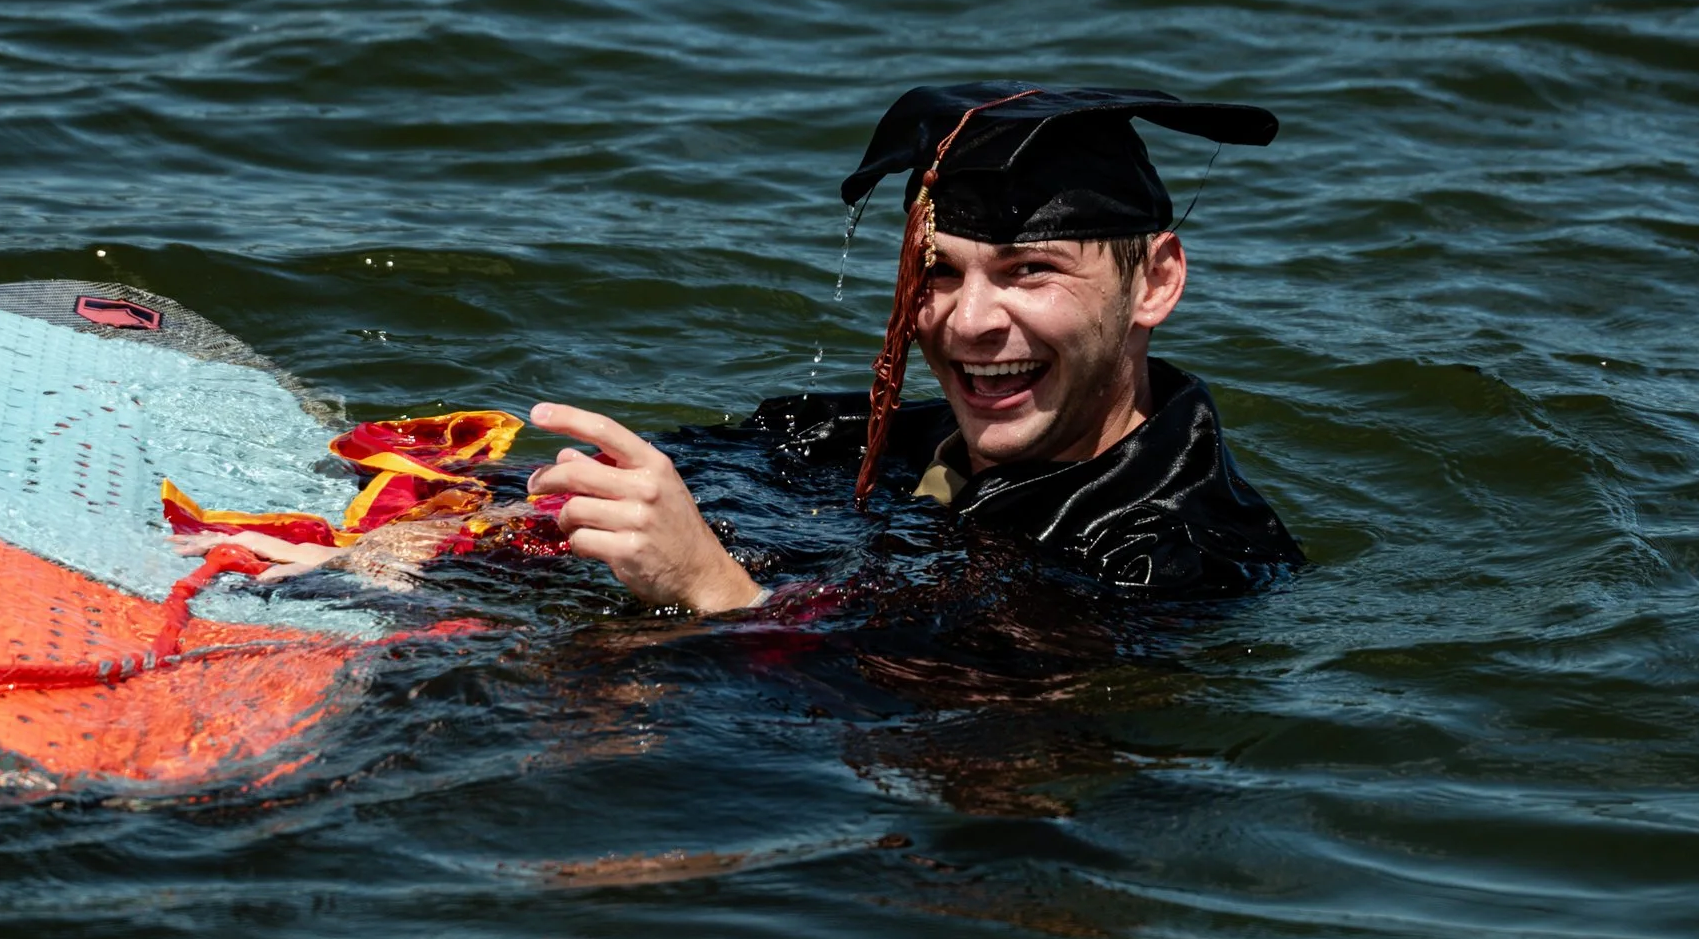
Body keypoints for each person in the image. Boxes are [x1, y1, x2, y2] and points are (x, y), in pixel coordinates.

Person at [525, 82, 1301, 615]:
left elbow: (980, 748)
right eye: (939, 271)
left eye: (1029, 272)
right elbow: (678, 481)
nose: (968, 323)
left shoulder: (1179, 562)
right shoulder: (867, 441)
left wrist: (719, 592)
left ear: (1156, 283)